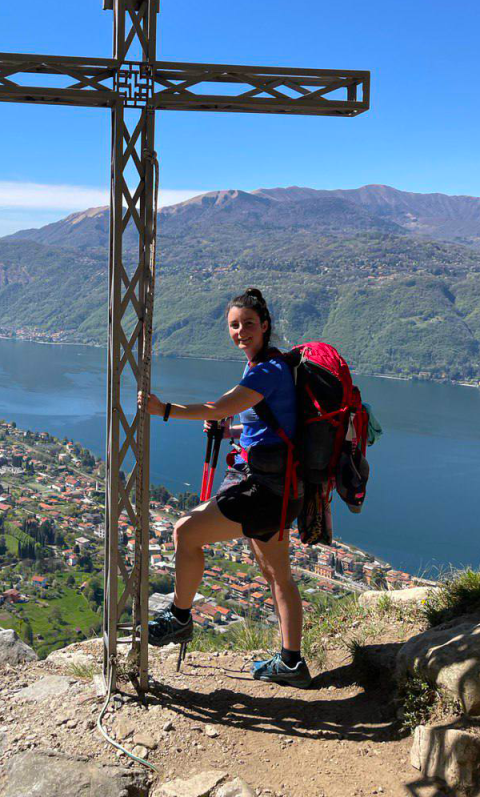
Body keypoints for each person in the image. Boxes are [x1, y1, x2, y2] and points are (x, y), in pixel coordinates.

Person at [138, 287, 311, 688]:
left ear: (265, 325)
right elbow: (268, 426)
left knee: (185, 532)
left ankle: (180, 619)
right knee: (277, 576)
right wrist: (232, 429)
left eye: (248, 324)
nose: (240, 331)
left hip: (265, 491)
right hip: (284, 490)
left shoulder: (266, 370)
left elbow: (217, 406)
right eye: (234, 325)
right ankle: (291, 663)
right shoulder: (268, 366)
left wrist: (163, 410)